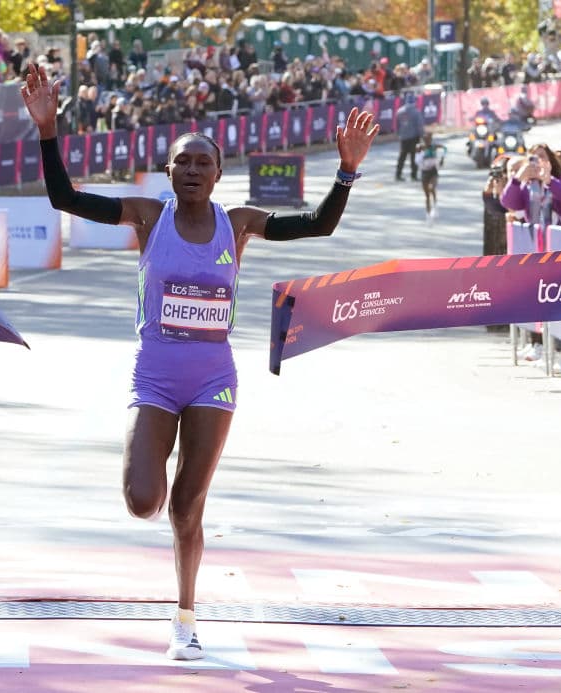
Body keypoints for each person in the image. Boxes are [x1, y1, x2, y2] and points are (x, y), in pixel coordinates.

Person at [20, 63, 378, 661]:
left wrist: (346, 170)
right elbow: (66, 197)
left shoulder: (236, 225)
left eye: (202, 163)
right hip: (156, 373)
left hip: (213, 378)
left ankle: (184, 619)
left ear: (218, 174)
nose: (191, 171)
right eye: (181, 162)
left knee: (187, 508)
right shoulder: (146, 216)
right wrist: (48, 131)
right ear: (168, 172)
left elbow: (317, 225)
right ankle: (156, 466)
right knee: (143, 500)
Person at [499, 142, 561, 229]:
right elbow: (510, 203)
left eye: (541, 156)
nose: (538, 161)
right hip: (537, 236)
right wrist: (517, 179)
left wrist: (550, 181)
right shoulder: (527, 185)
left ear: (550, 160)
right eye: (533, 158)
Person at [416, 130, 446, 219]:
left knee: (432, 188)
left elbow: (445, 149)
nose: (427, 141)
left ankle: (435, 204)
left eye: (429, 139)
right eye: (425, 139)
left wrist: (442, 159)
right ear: (423, 140)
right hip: (424, 172)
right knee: (427, 195)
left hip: (433, 171)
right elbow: (416, 160)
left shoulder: (434, 146)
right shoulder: (419, 147)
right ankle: (428, 214)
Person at [395, 91, 423, 182]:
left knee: (402, 156)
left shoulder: (399, 111)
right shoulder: (416, 112)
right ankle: (413, 175)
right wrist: (422, 136)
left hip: (403, 137)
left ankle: (398, 174)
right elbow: (419, 126)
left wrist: (399, 134)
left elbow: (397, 125)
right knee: (414, 157)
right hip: (414, 137)